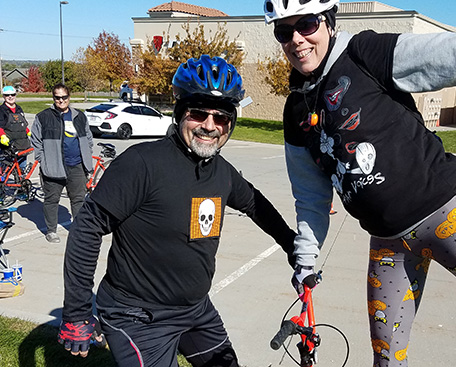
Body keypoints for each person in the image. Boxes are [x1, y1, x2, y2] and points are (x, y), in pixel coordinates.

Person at [264, 0, 456, 365]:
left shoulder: (366, 54)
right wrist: (305, 260)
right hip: (389, 242)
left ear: (329, 22)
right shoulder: (296, 111)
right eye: (283, 31)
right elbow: (309, 197)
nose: (296, 40)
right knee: (387, 358)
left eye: (306, 24)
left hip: (452, 217)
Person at [57, 55, 296, 367]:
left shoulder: (221, 171)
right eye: (199, 114)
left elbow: (254, 203)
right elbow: (86, 228)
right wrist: (77, 312)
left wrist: (293, 246)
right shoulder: (141, 163)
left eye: (221, 118)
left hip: (196, 309)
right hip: (138, 316)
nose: (210, 126)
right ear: (181, 114)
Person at [30, 84, 94, 243]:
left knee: (78, 199)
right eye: (57, 97)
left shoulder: (79, 116)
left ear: (69, 97)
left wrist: (86, 156)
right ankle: (51, 231)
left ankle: (78, 230)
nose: (61, 100)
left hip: (77, 166)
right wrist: (44, 161)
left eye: (64, 97)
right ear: (53, 98)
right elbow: (36, 141)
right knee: (52, 200)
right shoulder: (43, 117)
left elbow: (88, 138)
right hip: (53, 167)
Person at [0, 85, 31, 171]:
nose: (10, 97)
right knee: (4, 171)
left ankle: (20, 183)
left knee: (21, 170)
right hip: (8, 146)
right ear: (3, 96)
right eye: (7, 95)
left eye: (13, 94)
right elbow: (0, 126)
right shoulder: (1, 110)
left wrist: (28, 131)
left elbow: (23, 123)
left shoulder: (19, 109)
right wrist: (2, 136)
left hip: (22, 144)